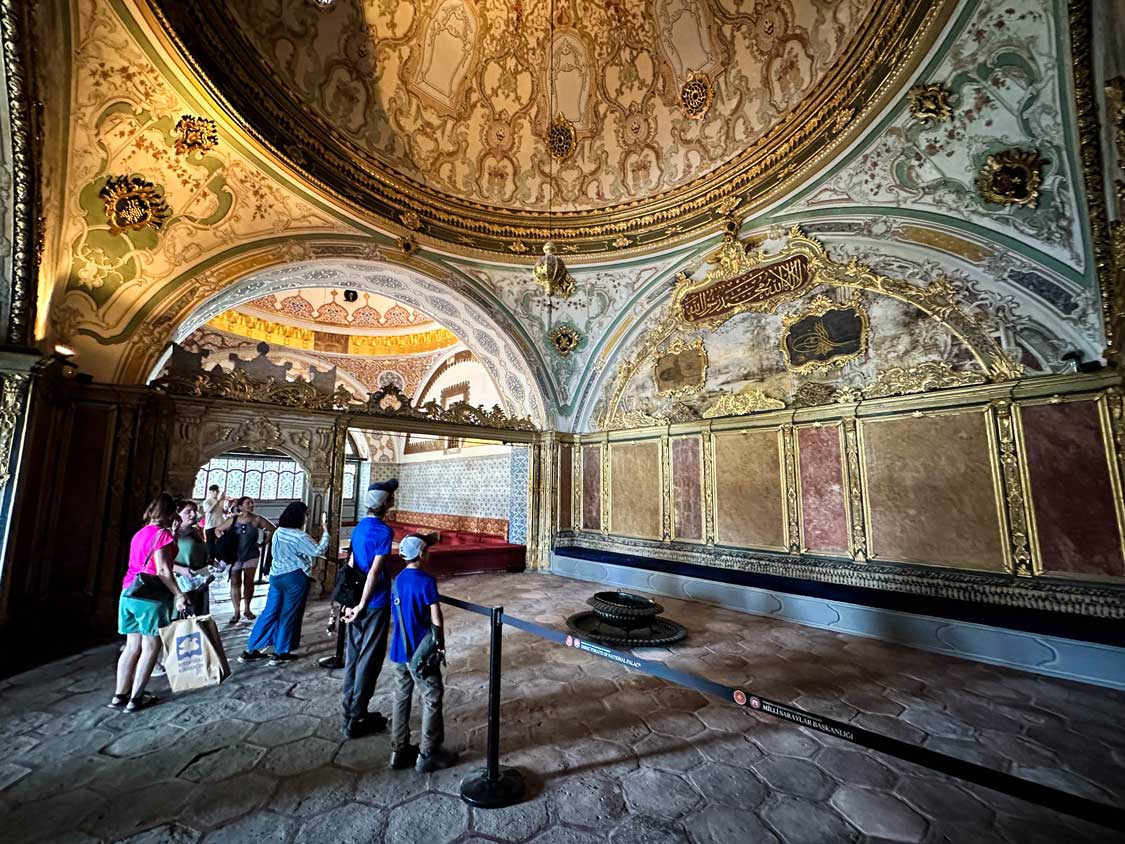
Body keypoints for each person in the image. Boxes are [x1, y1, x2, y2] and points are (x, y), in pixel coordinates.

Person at [109, 493, 190, 712]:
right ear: (170, 512)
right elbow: (163, 569)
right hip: (150, 596)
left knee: (131, 646)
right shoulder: (162, 534)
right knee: (150, 645)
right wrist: (178, 594)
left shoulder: (141, 532)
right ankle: (136, 698)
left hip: (129, 591)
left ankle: (120, 695)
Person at [389, 533, 458, 772]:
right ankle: (429, 751)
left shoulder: (397, 580)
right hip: (419, 650)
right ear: (421, 554)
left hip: (399, 649)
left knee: (401, 695)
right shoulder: (426, 581)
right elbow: (435, 615)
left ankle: (398, 749)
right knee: (432, 696)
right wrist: (439, 642)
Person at [340, 479, 398, 738]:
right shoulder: (383, 532)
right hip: (373, 602)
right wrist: (363, 604)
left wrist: (349, 603)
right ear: (385, 503)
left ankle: (350, 709)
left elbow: (352, 565)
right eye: (391, 496)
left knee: (353, 656)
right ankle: (358, 716)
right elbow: (374, 573)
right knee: (369, 660)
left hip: (354, 601)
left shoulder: (360, 527)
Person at [239, 502, 328, 666]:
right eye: (305, 514)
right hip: (294, 577)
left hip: (276, 576)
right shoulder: (299, 536)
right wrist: (326, 533)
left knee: (269, 612)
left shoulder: (279, 531)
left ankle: (251, 649)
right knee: (288, 614)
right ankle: (281, 652)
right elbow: (318, 551)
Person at [214, 497, 274, 625]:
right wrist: (225, 543)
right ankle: (236, 611)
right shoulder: (233, 519)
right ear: (240, 506)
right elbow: (217, 530)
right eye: (248, 503)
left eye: (252, 503)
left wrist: (264, 543)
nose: (251, 505)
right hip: (235, 555)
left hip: (251, 554)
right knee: (235, 581)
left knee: (248, 582)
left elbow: (272, 529)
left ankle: (247, 609)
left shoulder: (257, 519)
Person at [173, 499, 213, 617]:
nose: (194, 514)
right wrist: (180, 569)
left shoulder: (196, 531)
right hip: (181, 582)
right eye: (188, 512)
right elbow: (159, 561)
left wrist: (209, 561)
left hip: (199, 581)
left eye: (194, 511)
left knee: (199, 615)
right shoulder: (171, 534)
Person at [202, 484, 225, 559]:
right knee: (210, 545)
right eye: (214, 491)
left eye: (217, 491)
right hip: (210, 526)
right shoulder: (207, 501)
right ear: (210, 492)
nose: (216, 493)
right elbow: (208, 510)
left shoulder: (218, 502)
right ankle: (210, 560)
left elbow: (222, 511)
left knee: (218, 544)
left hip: (219, 526)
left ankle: (219, 559)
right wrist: (218, 501)